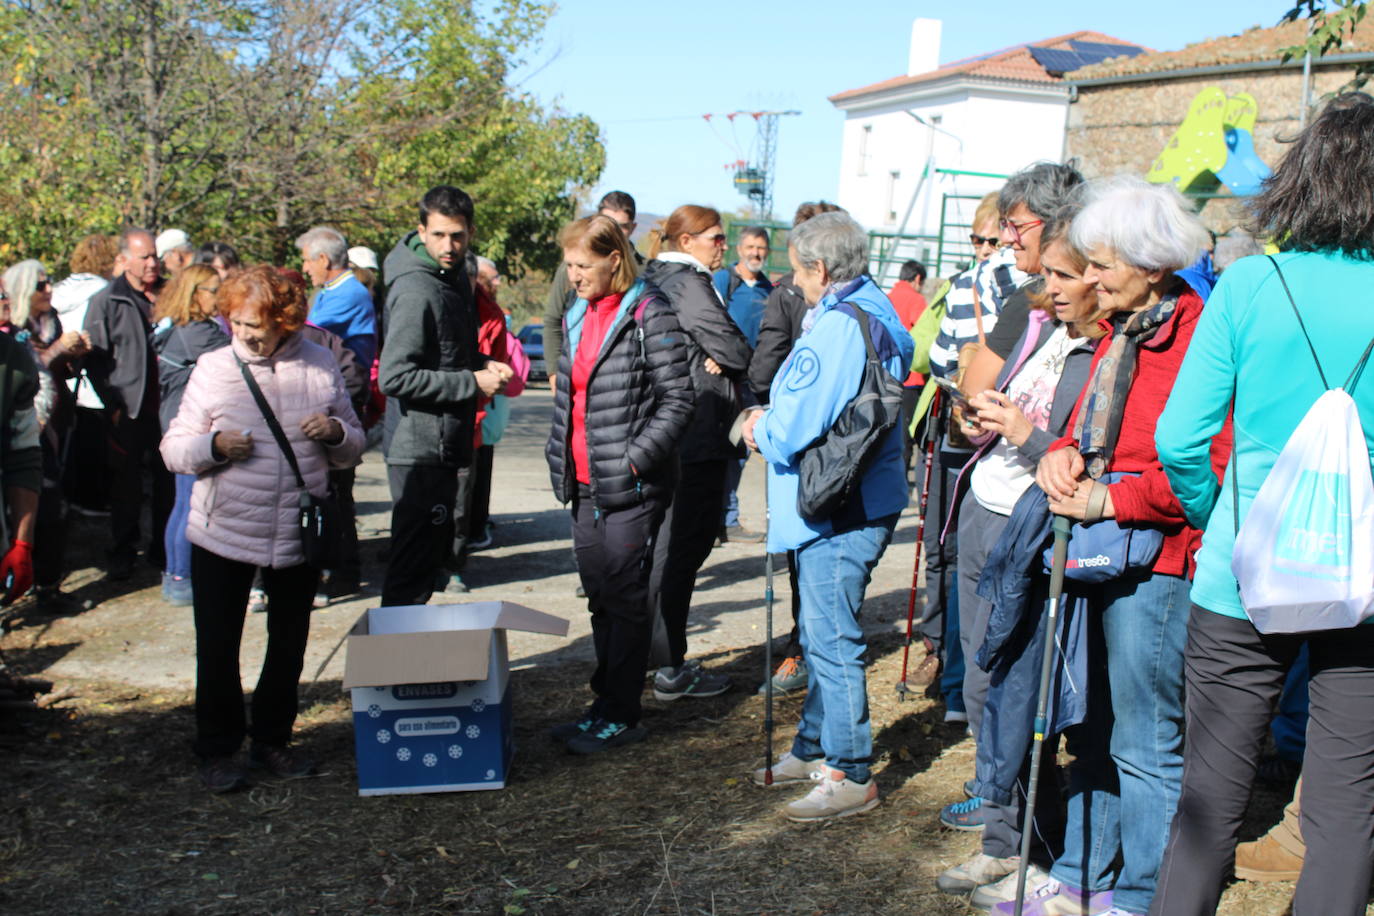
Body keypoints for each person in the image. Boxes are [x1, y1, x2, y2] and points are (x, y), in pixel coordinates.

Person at [1150, 97, 1374, 916]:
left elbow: (1181, 438)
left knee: (1209, 802)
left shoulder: (1250, 283)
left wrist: (1221, 517)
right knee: (1349, 811)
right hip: (1365, 579)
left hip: (1241, 576)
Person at [1002, 176, 1219, 916]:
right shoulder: (1124, 331)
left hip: (1155, 566)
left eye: (1101, 264)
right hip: (1097, 552)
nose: (1088, 278)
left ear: (1151, 263)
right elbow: (1095, 430)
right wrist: (1062, 452)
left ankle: (1141, 898)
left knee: (1145, 739)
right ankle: (1081, 876)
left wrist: (1114, 497)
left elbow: (1208, 465)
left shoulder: (1196, 338)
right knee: (1088, 726)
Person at [933, 211, 1103, 903]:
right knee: (984, 686)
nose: (1049, 285)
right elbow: (975, 396)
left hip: (1035, 534)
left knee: (1026, 700)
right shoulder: (1034, 320)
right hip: (987, 508)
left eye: (1063, 274)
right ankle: (1002, 840)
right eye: (1049, 272)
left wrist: (1027, 433)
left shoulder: (1104, 350)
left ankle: (1039, 844)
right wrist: (973, 416)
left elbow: (1077, 458)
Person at [160, 265, 364, 793]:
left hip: (298, 528)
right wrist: (214, 446)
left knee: (289, 641)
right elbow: (173, 448)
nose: (246, 333)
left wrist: (336, 432)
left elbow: (355, 443)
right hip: (224, 528)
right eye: (238, 322)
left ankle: (273, 740)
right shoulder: (213, 367)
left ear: (286, 321)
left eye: (258, 324)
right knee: (219, 644)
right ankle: (218, 749)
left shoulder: (320, 364)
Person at [740, 210, 912, 820]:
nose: (792, 279)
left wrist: (758, 426)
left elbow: (796, 423)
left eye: (796, 269)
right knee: (820, 630)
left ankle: (850, 771)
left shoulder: (840, 326)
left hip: (838, 506)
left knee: (832, 639)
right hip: (858, 496)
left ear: (819, 268)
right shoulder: (875, 306)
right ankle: (813, 746)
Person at [545, 214, 693, 753]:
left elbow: (680, 399)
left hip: (630, 484)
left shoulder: (650, 312)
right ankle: (602, 703)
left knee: (626, 597)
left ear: (614, 260)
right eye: (569, 266)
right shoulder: (578, 312)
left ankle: (622, 714)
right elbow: (572, 391)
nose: (575, 276)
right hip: (583, 481)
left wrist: (636, 460)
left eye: (583, 266)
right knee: (601, 596)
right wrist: (557, 449)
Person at [378, 185, 512, 608]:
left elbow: (449, 353)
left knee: (426, 570)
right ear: (421, 230)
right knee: (410, 572)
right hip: (417, 449)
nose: (448, 246)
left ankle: (408, 667)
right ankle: (389, 669)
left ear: (471, 231)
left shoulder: (450, 279)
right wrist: (472, 383)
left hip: (445, 442)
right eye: (438, 235)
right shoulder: (417, 287)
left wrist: (483, 364)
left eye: (457, 235)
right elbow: (395, 377)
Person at [642, 204, 752, 699]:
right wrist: (725, 359)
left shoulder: (661, 276)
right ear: (686, 241)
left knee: (673, 547)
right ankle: (667, 665)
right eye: (715, 238)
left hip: (677, 429)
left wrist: (722, 356)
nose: (722, 246)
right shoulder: (687, 281)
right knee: (681, 548)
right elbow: (734, 348)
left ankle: (657, 658)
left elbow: (722, 348)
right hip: (696, 431)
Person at [746, 200, 843, 696]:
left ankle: (803, 650)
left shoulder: (818, 301)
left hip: (809, 446)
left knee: (808, 554)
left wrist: (760, 410)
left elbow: (767, 363)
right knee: (815, 558)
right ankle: (807, 646)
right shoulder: (799, 294)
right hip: (823, 441)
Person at [298, 226, 377, 600]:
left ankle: (344, 569)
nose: (305, 268)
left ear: (323, 259)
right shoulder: (331, 291)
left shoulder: (349, 294)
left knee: (337, 493)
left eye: (306, 260)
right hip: (334, 393)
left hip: (346, 397)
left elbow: (306, 330)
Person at [84, 227, 167, 580]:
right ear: (125, 260)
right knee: (126, 486)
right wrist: (111, 405)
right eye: (144, 256)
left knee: (168, 483)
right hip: (128, 409)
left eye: (154, 256)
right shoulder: (107, 300)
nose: (152, 263)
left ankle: (163, 549)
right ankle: (123, 550)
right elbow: (95, 358)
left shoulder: (170, 294)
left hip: (168, 407)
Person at [151, 264, 229, 607]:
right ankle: (182, 577)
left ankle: (175, 576)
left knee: (181, 502)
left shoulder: (177, 328)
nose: (220, 295)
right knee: (188, 505)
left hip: (175, 421)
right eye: (214, 290)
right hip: (191, 427)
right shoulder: (202, 335)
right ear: (195, 293)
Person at [713, 226, 773, 544]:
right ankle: (718, 519)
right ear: (739, 249)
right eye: (750, 246)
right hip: (723, 380)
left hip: (751, 383)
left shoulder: (769, 289)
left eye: (761, 247)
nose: (756, 253)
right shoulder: (724, 281)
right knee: (718, 449)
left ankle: (727, 519)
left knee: (739, 448)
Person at [52, 234, 117, 516]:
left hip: (63, 371)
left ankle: (73, 493)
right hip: (92, 371)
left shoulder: (59, 288)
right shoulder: (105, 290)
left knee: (72, 437)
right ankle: (92, 498)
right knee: (95, 439)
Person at [543, 190, 641, 365]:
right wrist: (554, 373)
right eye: (608, 223)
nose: (615, 231)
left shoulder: (646, 273)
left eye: (622, 226)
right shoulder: (571, 270)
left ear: (633, 227)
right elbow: (553, 320)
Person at [890, 259, 928, 471]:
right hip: (911, 378)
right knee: (905, 435)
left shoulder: (886, 297)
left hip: (886, 375)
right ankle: (901, 481)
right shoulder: (916, 300)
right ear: (918, 279)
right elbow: (922, 337)